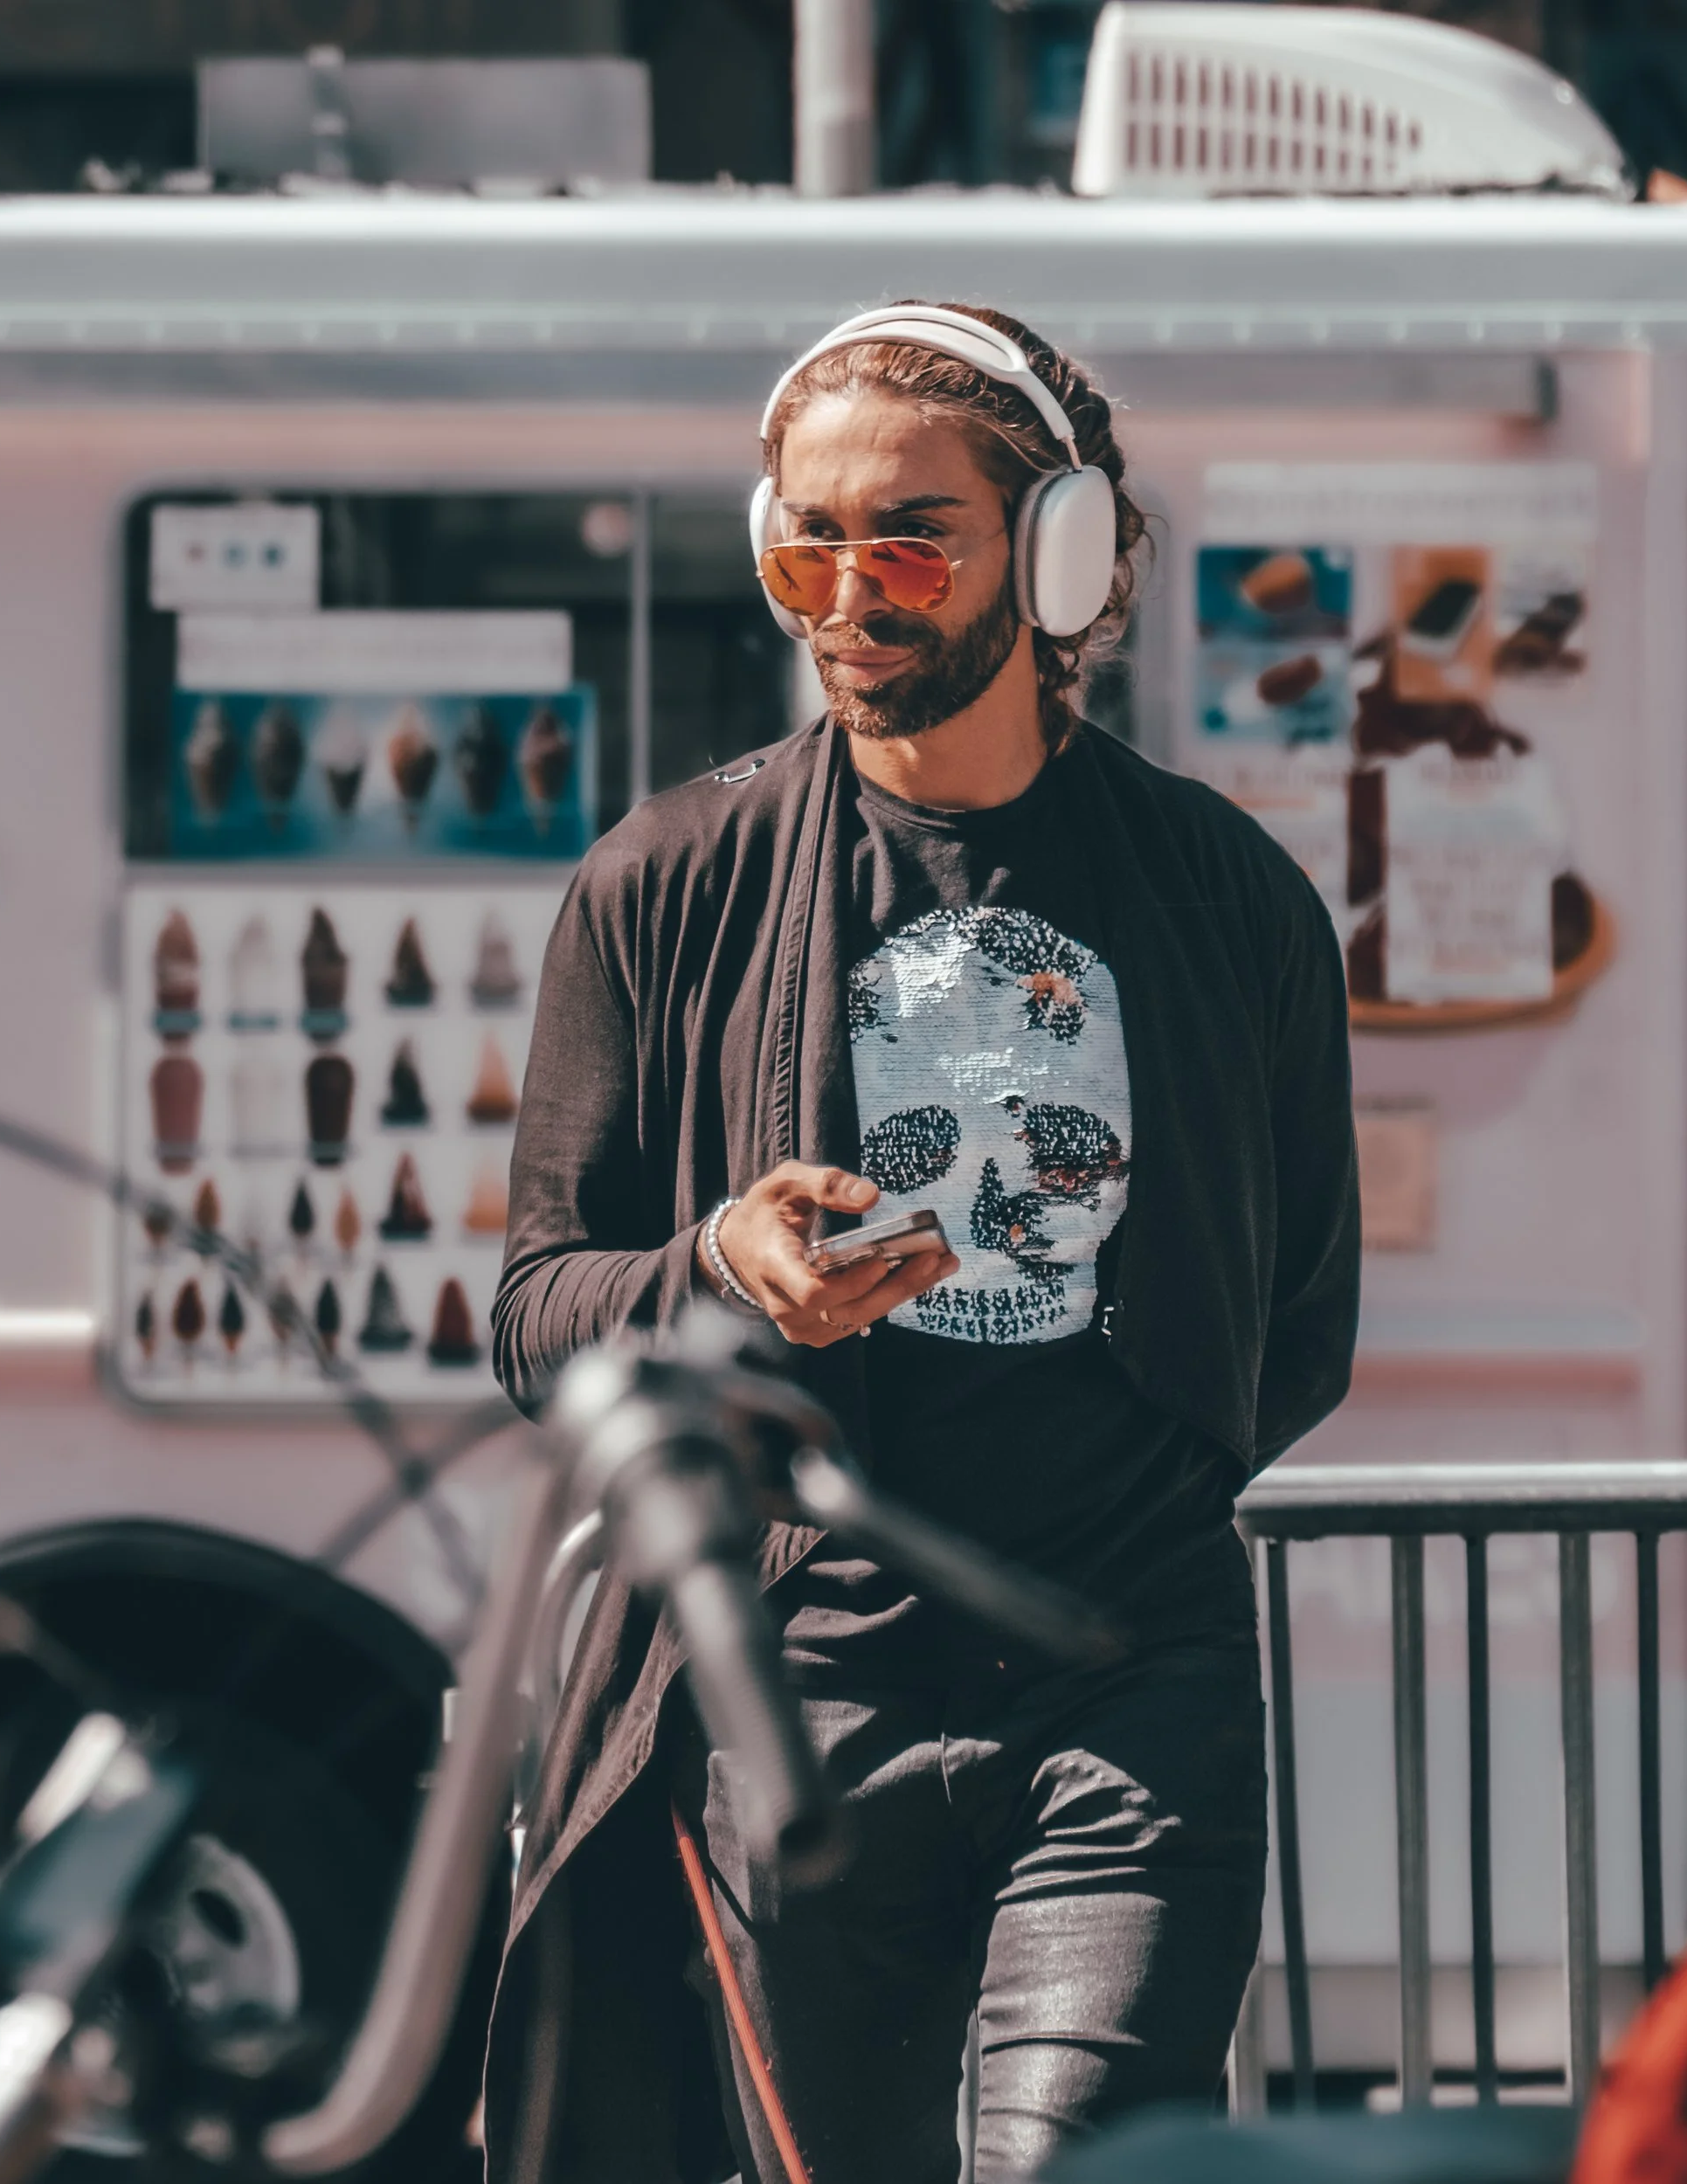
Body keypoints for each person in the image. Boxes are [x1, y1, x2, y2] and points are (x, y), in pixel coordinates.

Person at [484, 302, 1360, 2184]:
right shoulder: (663, 880)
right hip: (791, 1705)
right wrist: (712, 1264)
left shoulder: (1232, 900)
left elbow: (1300, 1322)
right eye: (804, 536)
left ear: (1055, 552)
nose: (844, 588)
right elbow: (538, 1311)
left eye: (906, 534)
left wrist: (1128, 1488)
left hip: (1132, 1679)